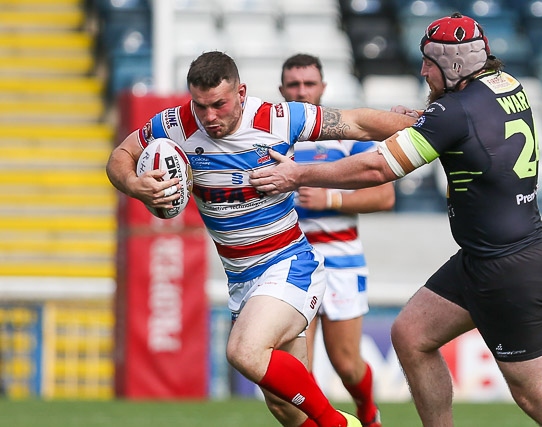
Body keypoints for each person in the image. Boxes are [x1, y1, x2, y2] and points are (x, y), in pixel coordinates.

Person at [250, 13, 542, 427]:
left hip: (508, 268)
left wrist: (298, 173)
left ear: (453, 66)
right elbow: (466, 124)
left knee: (539, 396)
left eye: (429, 62)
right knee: (411, 335)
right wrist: (424, 116)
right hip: (485, 258)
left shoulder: (452, 114)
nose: (422, 70)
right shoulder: (506, 85)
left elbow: (377, 171)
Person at [105, 51, 411, 427]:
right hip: (242, 280)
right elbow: (121, 154)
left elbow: (357, 123)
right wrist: (136, 186)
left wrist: (430, 125)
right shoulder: (175, 124)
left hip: (290, 265)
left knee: (245, 352)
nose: (210, 117)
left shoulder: (278, 119)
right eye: (201, 106)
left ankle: (339, 422)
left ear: (242, 92)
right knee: (287, 409)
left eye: (219, 104)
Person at [279, 53, 393, 427]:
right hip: (291, 263)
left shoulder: (345, 135)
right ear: (282, 90)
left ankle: (367, 412)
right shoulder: (271, 139)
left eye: (309, 84)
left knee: (346, 364)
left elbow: (384, 196)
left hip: (341, 260)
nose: (301, 91)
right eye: (294, 85)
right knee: (299, 368)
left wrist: (331, 198)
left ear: (322, 88)